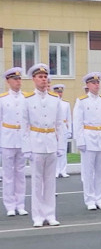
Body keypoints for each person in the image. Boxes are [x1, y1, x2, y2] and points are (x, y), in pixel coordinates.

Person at [22, 64, 62, 227]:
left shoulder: (55, 99)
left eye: (45, 77)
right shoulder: (28, 100)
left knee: (50, 182)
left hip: (51, 142)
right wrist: (26, 148)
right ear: (33, 79)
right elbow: (24, 125)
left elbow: (60, 124)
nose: (43, 79)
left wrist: (60, 146)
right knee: (37, 182)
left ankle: (50, 214)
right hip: (36, 142)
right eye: (40, 77)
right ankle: (38, 216)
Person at [73, 72, 101, 211]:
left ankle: (100, 199)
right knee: (88, 172)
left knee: (100, 171)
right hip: (88, 138)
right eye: (93, 83)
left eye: (98, 83)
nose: (96, 85)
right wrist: (80, 140)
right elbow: (78, 122)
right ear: (88, 85)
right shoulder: (82, 101)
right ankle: (89, 199)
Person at [0, 67, 28, 217]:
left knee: (20, 173)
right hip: (7, 138)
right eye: (15, 79)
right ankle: (10, 205)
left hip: (21, 140)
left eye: (19, 79)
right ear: (8, 81)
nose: (18, 82)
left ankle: (20, 203)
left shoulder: (26, 98)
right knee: (8, 174)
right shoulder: (3, 99)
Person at [52, 84, 72, 178]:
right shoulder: (51, 102)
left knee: (63, 150)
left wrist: (69, 131)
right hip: (54, 128)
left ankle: (63, 170)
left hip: (63, 127)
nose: (59, 94)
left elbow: (69, 118)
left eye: (60, 92)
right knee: (55, 150)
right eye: (57, 92)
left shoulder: (66, 104)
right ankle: (55, 171)